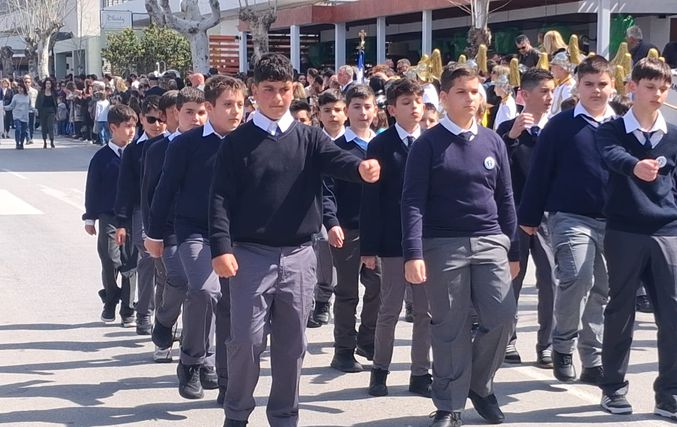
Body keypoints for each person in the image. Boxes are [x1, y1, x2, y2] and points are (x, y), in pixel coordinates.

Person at [208, 53, 380, 426]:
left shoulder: (310, 137)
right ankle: (236, 413)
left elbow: (337, 160)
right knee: (246, 341)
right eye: (269, 89)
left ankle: (285, 416)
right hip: (249, 255)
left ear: (294, 91)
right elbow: (219, 199)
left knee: (292, 345)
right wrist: (221, 247)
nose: (277, 98)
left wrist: (360, 168)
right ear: (255, 91)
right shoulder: (236, 143)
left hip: (300, 255)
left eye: (284, 89)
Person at [401, 64, 519, 427]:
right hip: (443, 244)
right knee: (449, 326)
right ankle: (449, 404)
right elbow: (412, 201)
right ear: (445, 97)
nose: (471, 98)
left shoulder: (493, 141)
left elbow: (506, 198)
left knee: (502, 318)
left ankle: (479, 386)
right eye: (462, 92)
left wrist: (513, 248)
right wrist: (413, 253)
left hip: (490, 240)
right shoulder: (427, 144)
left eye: (475, 91)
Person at [518, 55, 616, 386]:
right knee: (577, 277)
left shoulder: (621, 126)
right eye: (589, 84)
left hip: (612, 221)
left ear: (613, 86)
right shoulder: (561, 126)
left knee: (601, 288)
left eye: (602, 84)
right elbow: (540, 172)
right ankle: (562, 345)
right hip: (569, 217)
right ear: (577, 87)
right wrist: (529, 216)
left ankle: (593, 359)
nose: (596, 90)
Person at [596, 58, 677, 420]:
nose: (658, 94)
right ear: (632, 88)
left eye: (664, 88)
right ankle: (613, 387)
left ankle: (669, 394)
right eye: (650, 87)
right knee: (621, 310)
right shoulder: (612, 130)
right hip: (624, 231)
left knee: (672, 314)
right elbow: (611, 155)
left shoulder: (673, 134)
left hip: (667, 232)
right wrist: (635, 165)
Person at [145, 84, 225, 401]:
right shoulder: (161, 149)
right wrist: (152, 234)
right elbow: (154, 194)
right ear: (176, 114)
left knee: (210, 293)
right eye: (189, 112)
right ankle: (167, 323)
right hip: (175, 231)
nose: (196, 118)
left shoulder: (223, 142)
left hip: (216, 232)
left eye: (201, 112)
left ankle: (205, 360)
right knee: (188, 283)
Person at [361, 78, 432, 398]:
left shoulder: (431, 140)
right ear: (391, 109)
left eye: (418, 101)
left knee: (425, 311)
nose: (414, 108)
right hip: (392, 240)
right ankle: (380, 371)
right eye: (406, 103)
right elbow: (371, 199)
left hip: (427, 240)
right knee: (389, 309)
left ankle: (421, 373)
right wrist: (369, 247)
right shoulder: (381, 145)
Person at [497, 68, 557, 367]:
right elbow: (496, 171)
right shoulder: (506, 129)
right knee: (512, 279)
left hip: (548, 216)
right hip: (516, 216)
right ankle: (507, 339)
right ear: (524, 95)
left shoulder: (556, 128)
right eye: (543, 91)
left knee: (551, 280)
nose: (549, 97)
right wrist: (511, 138)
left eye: (551, 91)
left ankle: (547, 344)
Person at [324, 84, 383, 373]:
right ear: (347, 110)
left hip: (378, 230)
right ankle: (344, 350)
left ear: (376, 110)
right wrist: (331, 222)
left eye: (367, 107)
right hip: (347, 229)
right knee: (347, 291)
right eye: (356, 107)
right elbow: (327, 190)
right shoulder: (337, 148)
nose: (363, 113)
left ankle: (367, 339)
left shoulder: (382, 145)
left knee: (379, 286)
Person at [114, 95, 167, 337]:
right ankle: (144, 313)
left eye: (161, 119)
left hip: (167, 213)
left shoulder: (173, 145)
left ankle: (164, 317)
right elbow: (124, 189)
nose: (157, 125)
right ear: (142, 120)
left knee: (167, 268)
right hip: (140, 212)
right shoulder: (133, 150)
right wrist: (121, 222)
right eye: (151, 119)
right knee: (147, 260)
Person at [83, 104, 139, 327]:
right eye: (127, 126)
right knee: (109, 258)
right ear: (113, 128)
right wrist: (90, 217)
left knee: (130, 263)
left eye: (134, 126)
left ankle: (128, 308)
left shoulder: (137, 154)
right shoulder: (101, 158)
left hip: (133, 216)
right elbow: (92, 189)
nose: (132, 131)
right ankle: (111, 296)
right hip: (109, 216)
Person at [306, 89, 347, 328]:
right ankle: (322, 298)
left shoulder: (355, 141)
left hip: (350, 210)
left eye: (338, 110)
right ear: (318, 114)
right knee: (323, 245)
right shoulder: (311, 141)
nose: (333, 115)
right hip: (318, 208)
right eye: (327, 110)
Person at [3, 82, 30, 150]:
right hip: (17, 115)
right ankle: (17, 143)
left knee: (23, 131)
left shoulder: (27, 96)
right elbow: (11, 106)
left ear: (24, 89)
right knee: (18, 129)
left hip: (25, 116)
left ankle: (21, 143)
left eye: (21, 88)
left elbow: (30, 106)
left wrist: (34, 110)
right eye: (18, 88)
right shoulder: (15, 96)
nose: (20, 89)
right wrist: (4, 107)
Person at [549, 52, 576, 117]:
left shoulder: (569, 86)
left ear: (562, 68)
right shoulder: (560, 84)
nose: (551, 70)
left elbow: (568, 109)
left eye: (554, 66)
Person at [36, 78, 58, 149]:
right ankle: (45, 141)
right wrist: (37, 111)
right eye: (47, 83)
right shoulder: (41, 92)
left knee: (50, 126)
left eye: (49, 83)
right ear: (45, 85)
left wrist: (56, 111)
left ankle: (52, 141)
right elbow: (38, 102)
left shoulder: (54, 93)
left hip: (51, 111)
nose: (48, 85)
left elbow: (56, 102)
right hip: (43, 111)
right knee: (44, 127)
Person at [23, 75, 38, 145]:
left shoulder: (35, 91)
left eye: (28, 82)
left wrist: (36, 109)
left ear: (31, 82)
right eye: (25, 82)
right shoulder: (21, 91)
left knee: (31, 125)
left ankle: (31, 138)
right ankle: (28, 138)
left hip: (32, 110)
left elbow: (37, 101)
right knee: (26, 125)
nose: (27, 83)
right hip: (24, 110)